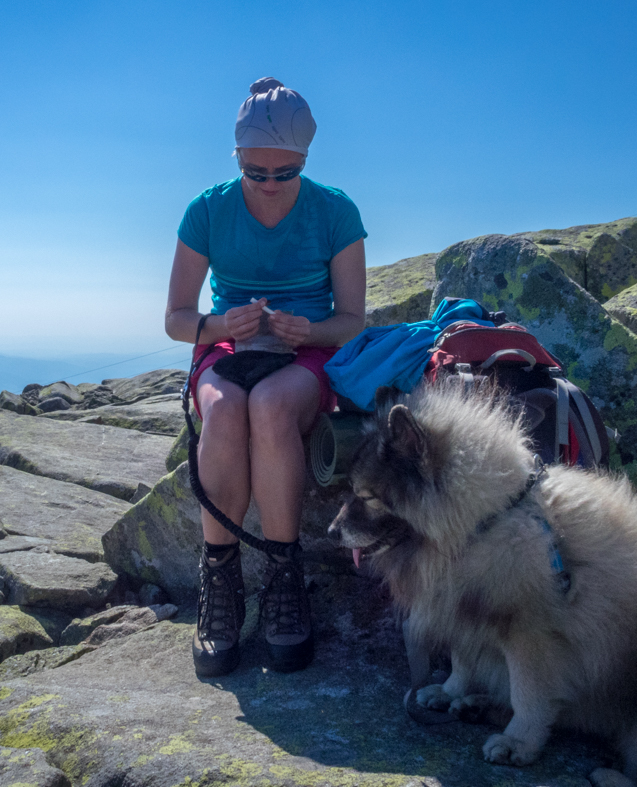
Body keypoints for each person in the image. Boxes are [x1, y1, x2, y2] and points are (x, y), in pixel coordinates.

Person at [165, 77, 368, 678]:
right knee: (225, 409)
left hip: (304, 352)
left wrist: (308, 332)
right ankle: (221, 581)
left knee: (273, 407)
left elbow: (352, 320)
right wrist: (218, 323)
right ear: (238, 160)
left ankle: (284, 577)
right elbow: (176, 319)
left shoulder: (336, 211)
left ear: (306, 161)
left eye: (287, 173)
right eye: (257, 173)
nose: (272, 186)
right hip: (226, 342)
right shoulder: (207, 210)